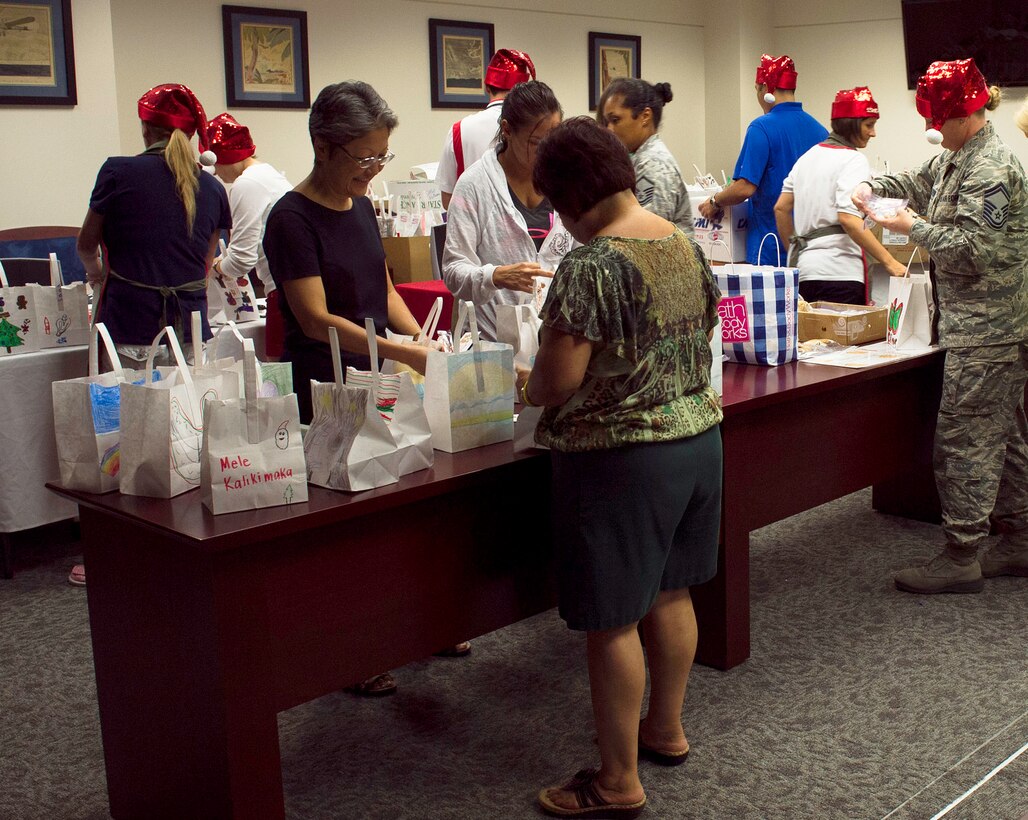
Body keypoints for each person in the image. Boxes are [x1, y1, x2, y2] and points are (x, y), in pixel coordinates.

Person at [518, 117, 722, 818]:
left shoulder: (593, 265)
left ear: (571, 196)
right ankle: (665, 729)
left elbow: (557, 382)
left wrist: (527, 384)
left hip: (623, 460)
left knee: (611, 620)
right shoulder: (683, 242)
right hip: (698, 441)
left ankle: (616, 781)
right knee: (670, 593)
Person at [262, 81, 467, 695]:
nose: (374, 169)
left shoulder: (359, 206)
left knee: (405, 505)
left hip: (379, 373)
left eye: (382, 156)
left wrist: (422, 340)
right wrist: (404, 350)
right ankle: (354, 652)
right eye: (365, 157)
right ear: (324, 147)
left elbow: (384, 293)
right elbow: (314, 320)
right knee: (348, 528)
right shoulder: (291, 219)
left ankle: (421, 627)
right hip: (326, 386)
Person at [853, 58, 1028, 593]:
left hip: (988, 330)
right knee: (1005, 438)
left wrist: (914, 227)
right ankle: (1021, 540)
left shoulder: (991, 169)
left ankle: (961, 556)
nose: (932, 129)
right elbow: (916, 178)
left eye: (938, 119)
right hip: (982, 327)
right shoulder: (958, 157)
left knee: (964, 441)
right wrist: (871, 186)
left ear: (966, 114)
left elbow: (974, 250)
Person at [71, 83, 232, 589]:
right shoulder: (214, 189)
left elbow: (86, 245)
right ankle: (183, 544)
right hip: (188, 328)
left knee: (118, 436)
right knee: (184, 433)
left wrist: (99, 277)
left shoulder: (118, 172)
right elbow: (205, 265)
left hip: (128, 322)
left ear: (145, 129)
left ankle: (114, 551)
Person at [442, 80, 572, 341]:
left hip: (553, 338)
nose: (548, 151)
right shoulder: (474, 185)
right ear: (507, 130)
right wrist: (495, 276)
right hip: (491, 342)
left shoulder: (563, 180)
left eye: (554, 140)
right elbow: (453, 269)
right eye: (536, 142)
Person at [774, 87, 906, 304]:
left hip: (806, 273)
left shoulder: (806, 159)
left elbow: (781, 208)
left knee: (812, 329)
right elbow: (848, 218)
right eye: (869, 125)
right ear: (850, 124)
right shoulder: (854, 160)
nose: (873, 133)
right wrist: (890, 262)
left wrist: (799, 249)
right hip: (841, 275)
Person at [697, 54, 827, 263]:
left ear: (765, 89)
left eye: (757, 89)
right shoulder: (820, 131)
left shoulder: (762, 127)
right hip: (811, 250)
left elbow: (744, 188)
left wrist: (715, 201)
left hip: (770, 248)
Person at [203, 113, 293, 358]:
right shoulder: (270, 175)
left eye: (216, 166)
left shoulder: (247, 184)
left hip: (282, 294)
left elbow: (241, 260)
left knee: (278, 374)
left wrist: (215, 267)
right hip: (291, 289)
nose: (217, 174)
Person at [436, 49, 536, 209]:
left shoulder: (459, 130)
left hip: (472, 221)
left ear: (487, 87)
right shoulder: (535, 127)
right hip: (528, 221)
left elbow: (448, 200)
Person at [597, 78, 694, 238]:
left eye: (615, 120)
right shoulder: (639, 159)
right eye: (607, 123)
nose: (609, 129)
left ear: (645, 116)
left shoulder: (652, 164)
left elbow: (647, 238)